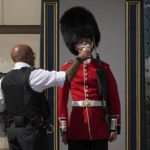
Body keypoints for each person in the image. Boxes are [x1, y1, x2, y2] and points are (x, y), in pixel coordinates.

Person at [0, 44, 91, 150]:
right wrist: (79, 59)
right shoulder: (34, 75)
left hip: (12, 132)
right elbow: (67, 77)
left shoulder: (3, 80)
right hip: (31, 132)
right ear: (25, 56)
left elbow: (1, 110)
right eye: (33, 55)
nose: (34, 58)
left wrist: (17, 115)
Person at [58, 7, 121, 150]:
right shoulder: (66, 68)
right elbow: (62, 101)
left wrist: (113, 127)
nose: (85, 43)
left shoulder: (104, 68)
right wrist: (64, 129)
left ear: (93, 42)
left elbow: (114, 98)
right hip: (77, 125)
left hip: (98, 125)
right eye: (81, 41)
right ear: (74, 45)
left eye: (87, 40)